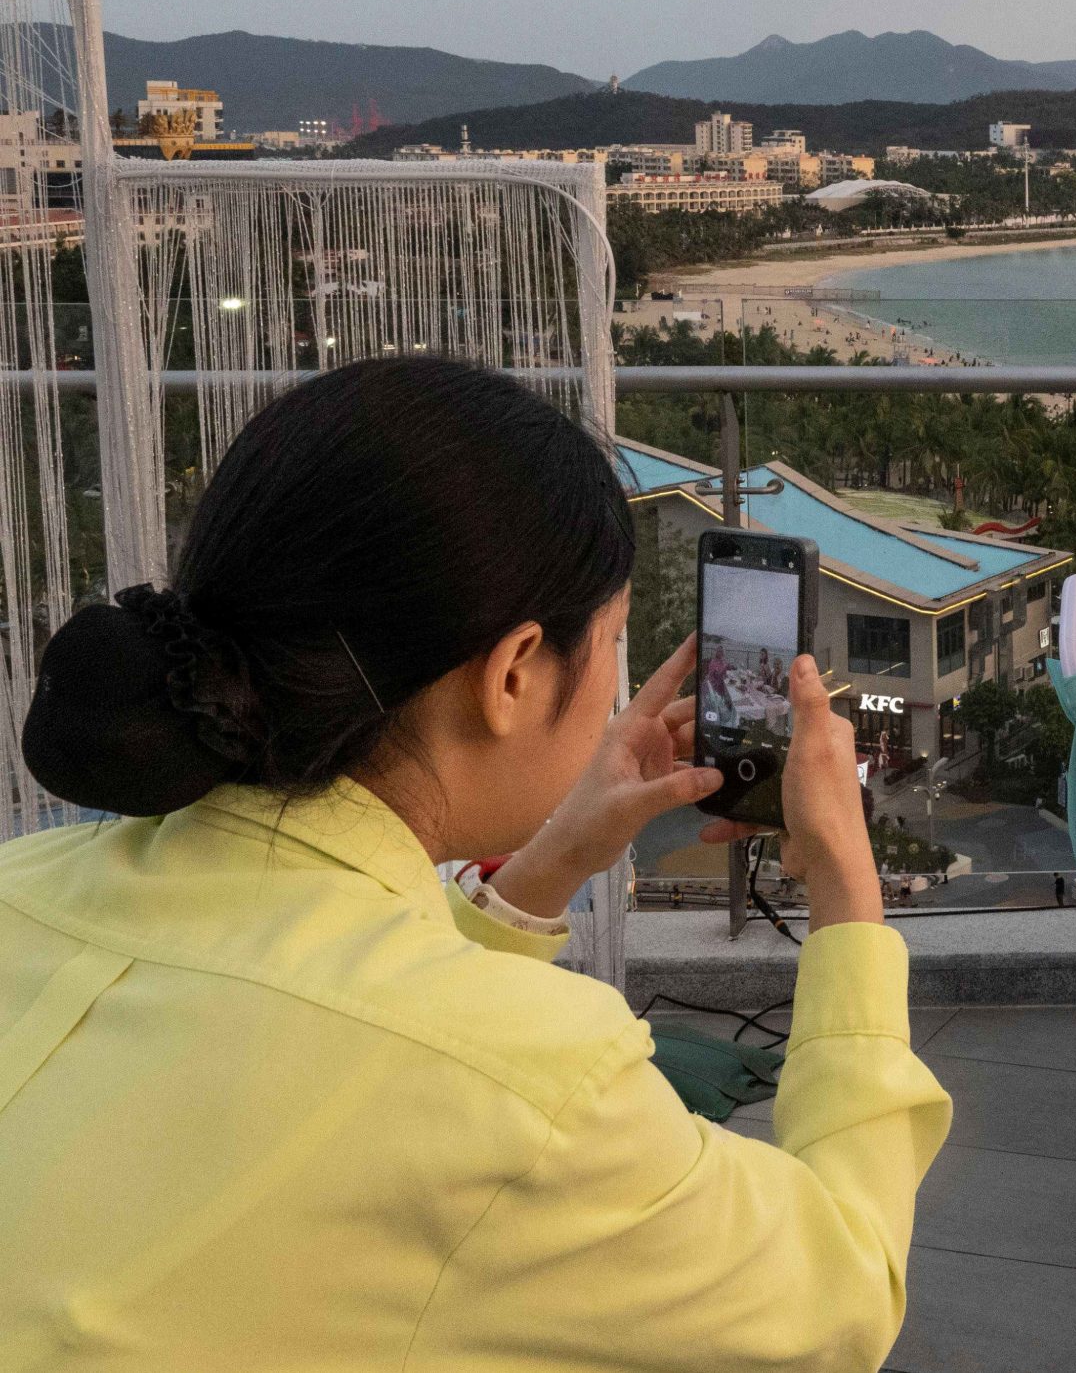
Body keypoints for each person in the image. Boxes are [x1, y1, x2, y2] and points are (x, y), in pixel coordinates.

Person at [0, 357, 950, 1369]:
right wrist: (846, 888)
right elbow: (840, 1293)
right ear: (511, 674)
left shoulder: (26, 883)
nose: (617, 686)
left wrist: (550, 862)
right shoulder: (540, 1087)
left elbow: (344, 1009)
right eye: (614, 642)